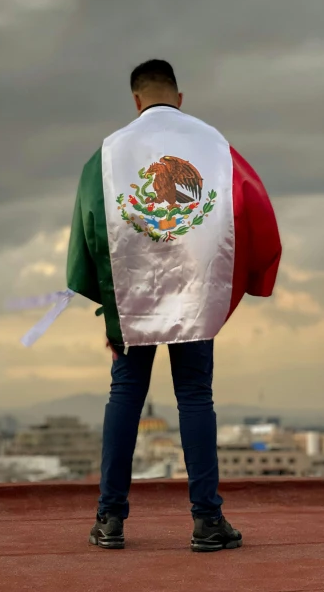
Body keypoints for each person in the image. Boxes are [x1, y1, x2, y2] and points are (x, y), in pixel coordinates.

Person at [66, 59, 282, 552]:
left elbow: (89, 224)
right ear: (179, 98)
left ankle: (110, 520)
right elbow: (251, 205)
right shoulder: (214, 145)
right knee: (194, 397)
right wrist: (246, 271)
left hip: (133, 298)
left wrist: (110, 302)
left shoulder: (109, 152)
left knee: (124, 397)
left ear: (136, 100)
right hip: (195, 296)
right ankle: (207, 522)